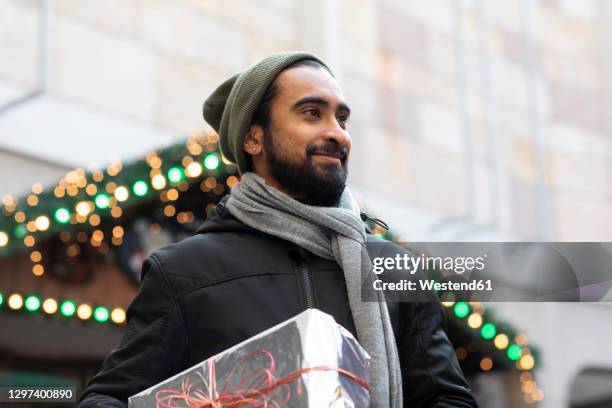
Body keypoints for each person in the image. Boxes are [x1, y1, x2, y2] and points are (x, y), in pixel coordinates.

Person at [77, 51, 478, 407]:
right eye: (311, 113)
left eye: (341, 118)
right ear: (254, 138)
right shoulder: (184, 270)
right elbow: (109, 398)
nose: (337, 132)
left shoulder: (393, 269)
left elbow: (448, 399)